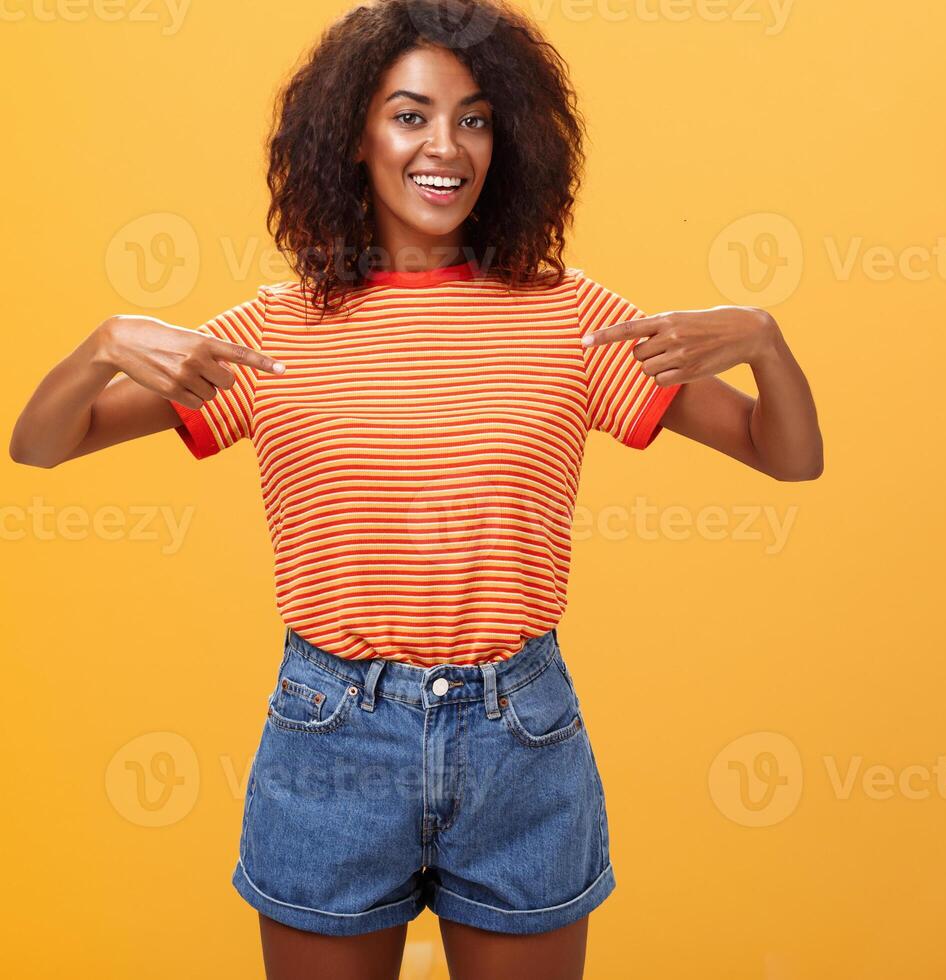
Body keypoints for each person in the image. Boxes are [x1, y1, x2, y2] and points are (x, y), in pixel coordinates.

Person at [8, 1, 823, 976]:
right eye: (410, 115)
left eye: (474, 118)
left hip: (519, 735)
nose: (447, 146)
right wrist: (103, 344)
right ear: (352, 136)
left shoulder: (573, 318)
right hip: (331, 731)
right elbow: (43, 444)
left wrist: (767, 342)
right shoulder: (276, 329)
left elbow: (787, 455)